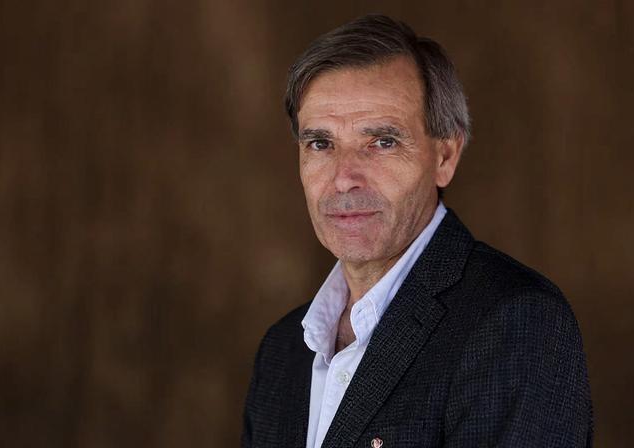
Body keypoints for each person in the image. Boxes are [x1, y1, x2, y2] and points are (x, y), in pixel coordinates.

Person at [242, 14, 593, 448]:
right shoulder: (283, 351)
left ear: (446, 156)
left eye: (383, 142)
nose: (343, 178)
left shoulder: (516, 323)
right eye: (321, 143)